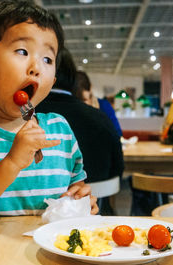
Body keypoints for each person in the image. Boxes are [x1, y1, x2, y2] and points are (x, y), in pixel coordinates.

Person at [0, 1, 98, 218]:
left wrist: (80, 200)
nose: (36, 68)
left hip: (51, 246)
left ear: (52, 80)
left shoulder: (59, 128)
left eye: (47, 59)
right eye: (22, 51)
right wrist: (12, 162)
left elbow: (76, 185)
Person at [36, 48, 124, 215]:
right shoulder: (100, 117)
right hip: (98, 209)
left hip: (37, 215)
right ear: (73, 78)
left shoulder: (24, 117)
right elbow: (118, 167)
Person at [75, 71, 123, 137]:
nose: (83, 105)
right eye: (78, 100)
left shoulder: (104, 105)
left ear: (91, 88)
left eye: (85, 99)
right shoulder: (72, 108)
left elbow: (118, 133)